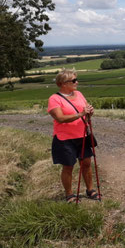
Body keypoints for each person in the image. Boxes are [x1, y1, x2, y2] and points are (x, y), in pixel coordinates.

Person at [47, 69, 97, 203]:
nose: (77, 82)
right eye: (73, 80)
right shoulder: (54, 99)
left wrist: (89, 112)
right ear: (63, 83)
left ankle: (90, 190)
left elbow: (85, 110)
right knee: (68, 166)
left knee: (86, 163)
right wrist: (80, 114)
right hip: (64, 139)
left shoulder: (79, 94)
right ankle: (69, 194)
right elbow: (60, 118)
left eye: (76, 79)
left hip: (82, 135)